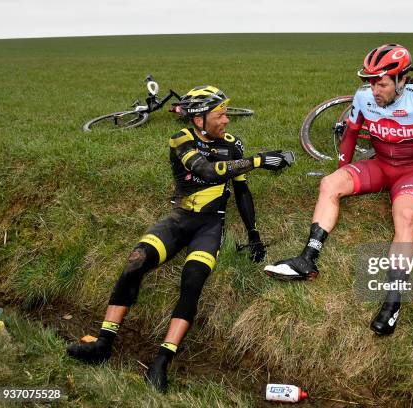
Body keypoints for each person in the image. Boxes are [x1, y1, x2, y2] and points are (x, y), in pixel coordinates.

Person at [67, 85, 293, 392]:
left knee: (193, 281)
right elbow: (207, 171)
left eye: (226, 113)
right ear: (199, 120)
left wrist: (253, 235)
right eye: (220, 114)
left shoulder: (233, 146)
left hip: (210, 225)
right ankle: (103, 344)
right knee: (137, 260)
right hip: (179, 219)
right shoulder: (182, 138)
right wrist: (259, 160)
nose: (226, 120)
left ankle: (161, 362)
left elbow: (241, 191)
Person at [264, 44, 413, 335]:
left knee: (404, 215)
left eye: (381, 84)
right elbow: (351, 133)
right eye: (370, 83)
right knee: (329, 184)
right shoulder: (364, 98)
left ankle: (393, 303)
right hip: (379, 165)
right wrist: (342, 167)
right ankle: (307, 260)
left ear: (401, 80)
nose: (374, 90)